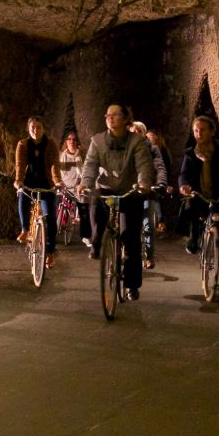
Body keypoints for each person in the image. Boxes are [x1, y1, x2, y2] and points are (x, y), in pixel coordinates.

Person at [77, 104, 154, 300]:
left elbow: (144, 164)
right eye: (107, 115)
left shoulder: (137, 142)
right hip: (107, 188)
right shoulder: (97, 141)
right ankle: (96, 244)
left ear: (125, 119)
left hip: (130, 191)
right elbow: (91, 164)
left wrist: (143, 183)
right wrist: (85, 183)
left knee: (130, 238)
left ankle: (131, 284)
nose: (110, 118)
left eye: (115, 115)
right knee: (94, 204)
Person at [177, 115, 219, 294]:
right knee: (190, 205)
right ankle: (193, 236)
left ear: (212, 131)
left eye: (203, 130)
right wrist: (184, 186)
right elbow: (184, 174)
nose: (199, 134)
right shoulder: (190, 153)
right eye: (196, 130)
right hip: (201, 195)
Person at [14, 116, 59, 268]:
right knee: (22, 197)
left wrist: (57, 181)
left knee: (51, 218)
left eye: (38, 127)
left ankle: (50, 252)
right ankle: (25, 230)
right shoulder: (23, 145)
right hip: (29, 183)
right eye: (32, 127)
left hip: (47, 184)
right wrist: (19, 181)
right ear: (29, 129)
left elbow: (54, 164)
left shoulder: (50, 144)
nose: (35, 130)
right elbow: (20, 165)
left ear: (43, 129)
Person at [130, 120, 167, 269]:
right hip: (129, 191)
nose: (135, 134)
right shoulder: (124, 147)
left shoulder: (152, 149)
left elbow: (159, 166)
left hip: (146, 191)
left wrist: (161, 183)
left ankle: (149, 256)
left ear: (144, 134)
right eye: (133, 131)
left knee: (148, 225)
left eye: (139, 131)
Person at [54, 130, 89, 248]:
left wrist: (83, 184)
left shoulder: (82, 155)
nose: (72, 141)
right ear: (66, 142)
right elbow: (56, 169)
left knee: (84, 208)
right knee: (55, 204)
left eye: (74, 139)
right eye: (69, 139)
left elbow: (86, 171)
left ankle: (85, 235)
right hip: (64, 185)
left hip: (78, 187)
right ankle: (53, 231)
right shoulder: (61, 155)